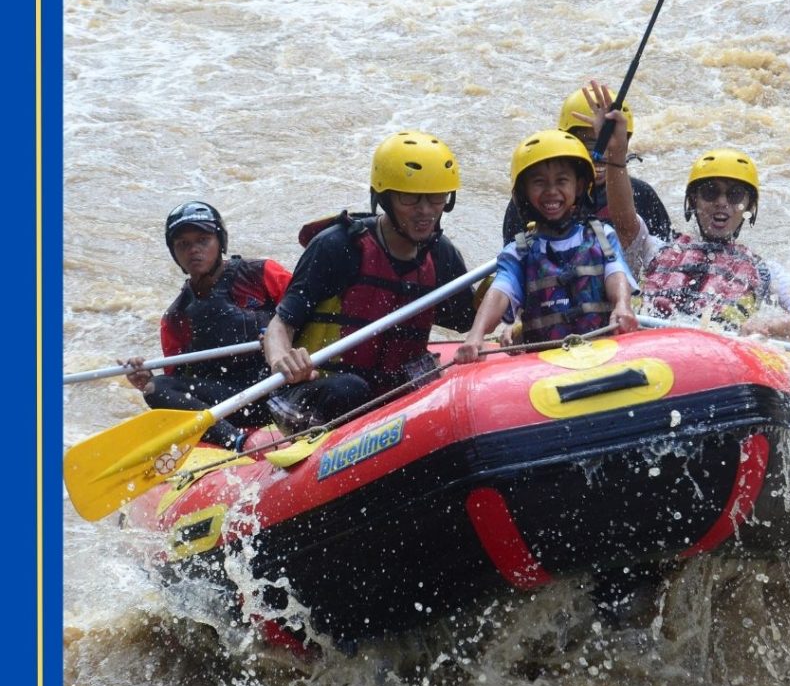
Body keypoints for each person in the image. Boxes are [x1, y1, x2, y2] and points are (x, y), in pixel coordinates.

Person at [262, 131, 476, 433]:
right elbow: (279, 325)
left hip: (388, 393)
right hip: (318, 391)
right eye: (410, 197)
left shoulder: (441, 256)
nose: (425, 210)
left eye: (436, 197)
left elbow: (470, 321)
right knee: (350, 389)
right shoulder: (339, 247)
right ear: (385, 198)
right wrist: (283, 361)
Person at [585, 82, 790, 342]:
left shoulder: (766, 270)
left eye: (734, 195)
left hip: (718, 358)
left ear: (749, 207)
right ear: (693, 202)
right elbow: (623, 220)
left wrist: (770, 326)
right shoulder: (654, 249)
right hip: (649, 346)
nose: (722, 202)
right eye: (710, 193)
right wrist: (615, 154)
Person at [454, 129, 638, 364]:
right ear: (524, 192)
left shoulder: (602, 236)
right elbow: (501, 291)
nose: (551, 191)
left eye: (562, 181)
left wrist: (622, 305)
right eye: (539, 183)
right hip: (544, 367)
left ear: (579, 187)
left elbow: (616, 272)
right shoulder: (519, 252)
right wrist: (476, 335)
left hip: (604, 354)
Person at [123, 201, 292, 450]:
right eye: (183, 244)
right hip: (233, 404)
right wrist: (145, 378)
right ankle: (236, 441)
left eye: (203, 240)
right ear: (174, 253)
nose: (193, 250)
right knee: (155, 388)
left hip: (283, 387)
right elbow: (178, 384)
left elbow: (306, 311)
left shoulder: (261, 274)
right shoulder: (175, 317)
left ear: (220, 242)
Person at [501, 86, 672, 245]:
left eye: (610, 144)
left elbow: (664, 255)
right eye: (589, 145)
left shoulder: (642, 195)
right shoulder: (532, 201)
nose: (601, 155)